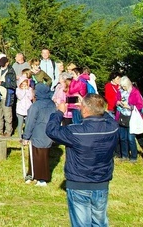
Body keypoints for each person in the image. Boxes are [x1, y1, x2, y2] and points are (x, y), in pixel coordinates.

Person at [46, 93, 119, 227]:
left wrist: (59, 112)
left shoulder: (75, 131)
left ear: (84, 110)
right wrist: (94, 105)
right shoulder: (112, 127)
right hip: (101, 182)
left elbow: (51, 130)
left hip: (78, 183)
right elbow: (108, 117)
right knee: (100, 222)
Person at [21, 83, 56, 186]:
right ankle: (33, 175)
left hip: (37, 133)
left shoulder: (36, 105)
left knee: (36, 155)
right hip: (48, 133)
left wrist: (26, 136)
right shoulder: (52, 104)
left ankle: (41, 177)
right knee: (43, 155)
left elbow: (30, 122)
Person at [116, 76, 143, 163]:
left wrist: (129, 106)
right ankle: (124, 155)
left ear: (128, 84)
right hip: (122, 115)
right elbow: (116, 100)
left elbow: (140, 105)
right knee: (122, 137)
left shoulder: (135, 92)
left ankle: (133, 156)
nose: (122, 88)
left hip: (132, 118)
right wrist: (118, 102)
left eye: (124, 86)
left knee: (131, 138)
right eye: (121, 86)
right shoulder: (120, 91)